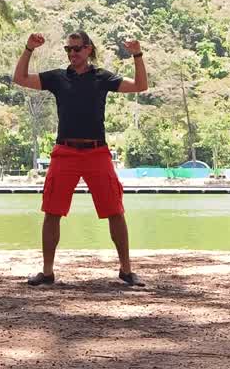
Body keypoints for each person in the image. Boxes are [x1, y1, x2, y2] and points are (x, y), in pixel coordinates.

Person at [13, 30, 148, 287]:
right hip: (65, 152)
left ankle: (126, 270)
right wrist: (29, 48)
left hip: (97, 152)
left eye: (77, 49)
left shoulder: (102, 77)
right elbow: (19, 78)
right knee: (52, 211)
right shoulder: (57, 77)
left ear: (88, 49)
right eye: (68, 49)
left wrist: (137, 55)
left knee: (115, 210)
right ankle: (47, 272)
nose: (72, 53)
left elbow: (141, 86)